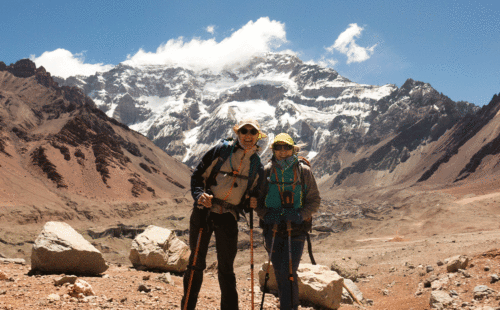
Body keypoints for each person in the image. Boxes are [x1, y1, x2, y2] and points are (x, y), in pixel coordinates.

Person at [181, 119, 266, 310]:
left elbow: (252, 195)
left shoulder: (256, 165)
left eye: (253, 132)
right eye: (244, 131)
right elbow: (197, 176)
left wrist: (251, 202)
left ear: (257, 136)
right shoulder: (221, 150)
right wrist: (198, 195)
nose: (248, 135)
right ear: (238, 133)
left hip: (228, 216)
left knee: (226, 269)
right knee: (196, 264)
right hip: (204, 211)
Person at [256, 133, 321, 310]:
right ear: (273, 149)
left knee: (289, 272)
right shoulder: (267, 171)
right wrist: (266, 215)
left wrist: (300, 215)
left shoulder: (303, 171)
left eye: (287, 147)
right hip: (273, 228)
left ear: (293, 149)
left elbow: (314, 200)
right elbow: (258, 200)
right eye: (278, 147)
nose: (283, 151)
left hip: (297, 229)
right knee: (280, 272)